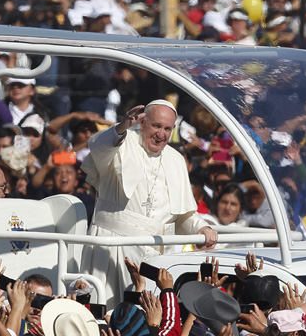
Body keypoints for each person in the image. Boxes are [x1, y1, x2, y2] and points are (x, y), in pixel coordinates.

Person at [80, 100, 217, 306]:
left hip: (157, 256)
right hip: (114, 248)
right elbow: (97, 147)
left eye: (167, 129)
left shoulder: (176, 159)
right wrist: (120, 128)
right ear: (142, 123)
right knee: (109, 312)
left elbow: (183, 215)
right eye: (156, 126)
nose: (161, 134)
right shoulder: (120, 143)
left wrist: (201, 228)